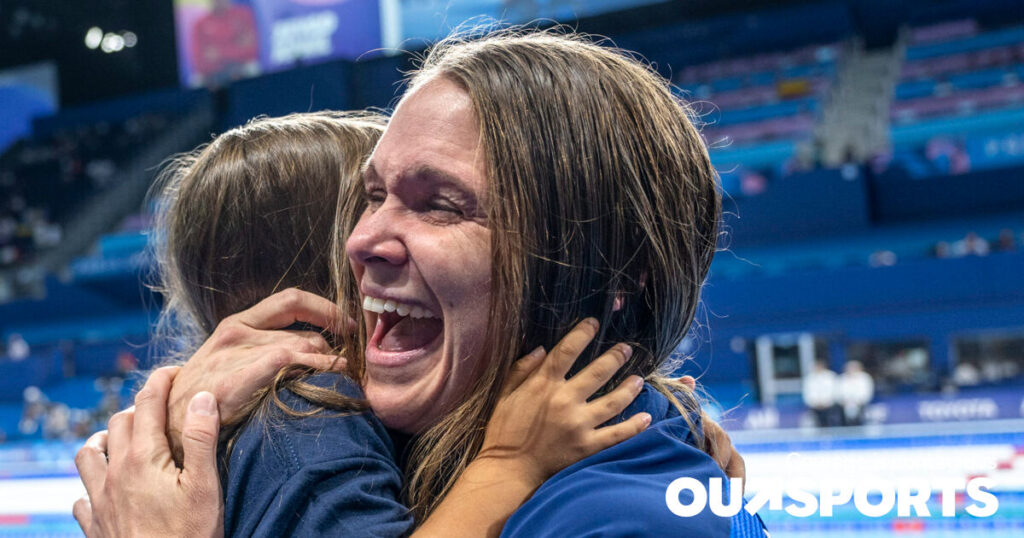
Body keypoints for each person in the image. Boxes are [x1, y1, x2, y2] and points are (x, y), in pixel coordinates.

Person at [77, 28, 758, 536]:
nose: (360, 242)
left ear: (618, 268)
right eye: (371, 197)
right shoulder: (419, 452)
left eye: (440, 204)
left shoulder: (616, 519)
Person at [802, 359, 840, 428]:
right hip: (815, 406)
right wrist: (815, 403)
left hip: (829, 405)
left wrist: (827, 402)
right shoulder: (810, 378)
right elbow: (808, 392)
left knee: (830, 421)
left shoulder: (830, 376)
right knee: (817, 423)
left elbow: (834, 391)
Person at [837, 360, 874, 426]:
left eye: (853, 368)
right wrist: (843, 401)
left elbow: (867, 391)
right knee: (844, 422)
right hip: (844, 404)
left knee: (860, 421)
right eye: (849, 368)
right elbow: (837, 392)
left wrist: (859, 401)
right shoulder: (842, 378)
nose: (851, 370)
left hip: (860, 404)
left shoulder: (865, 378)